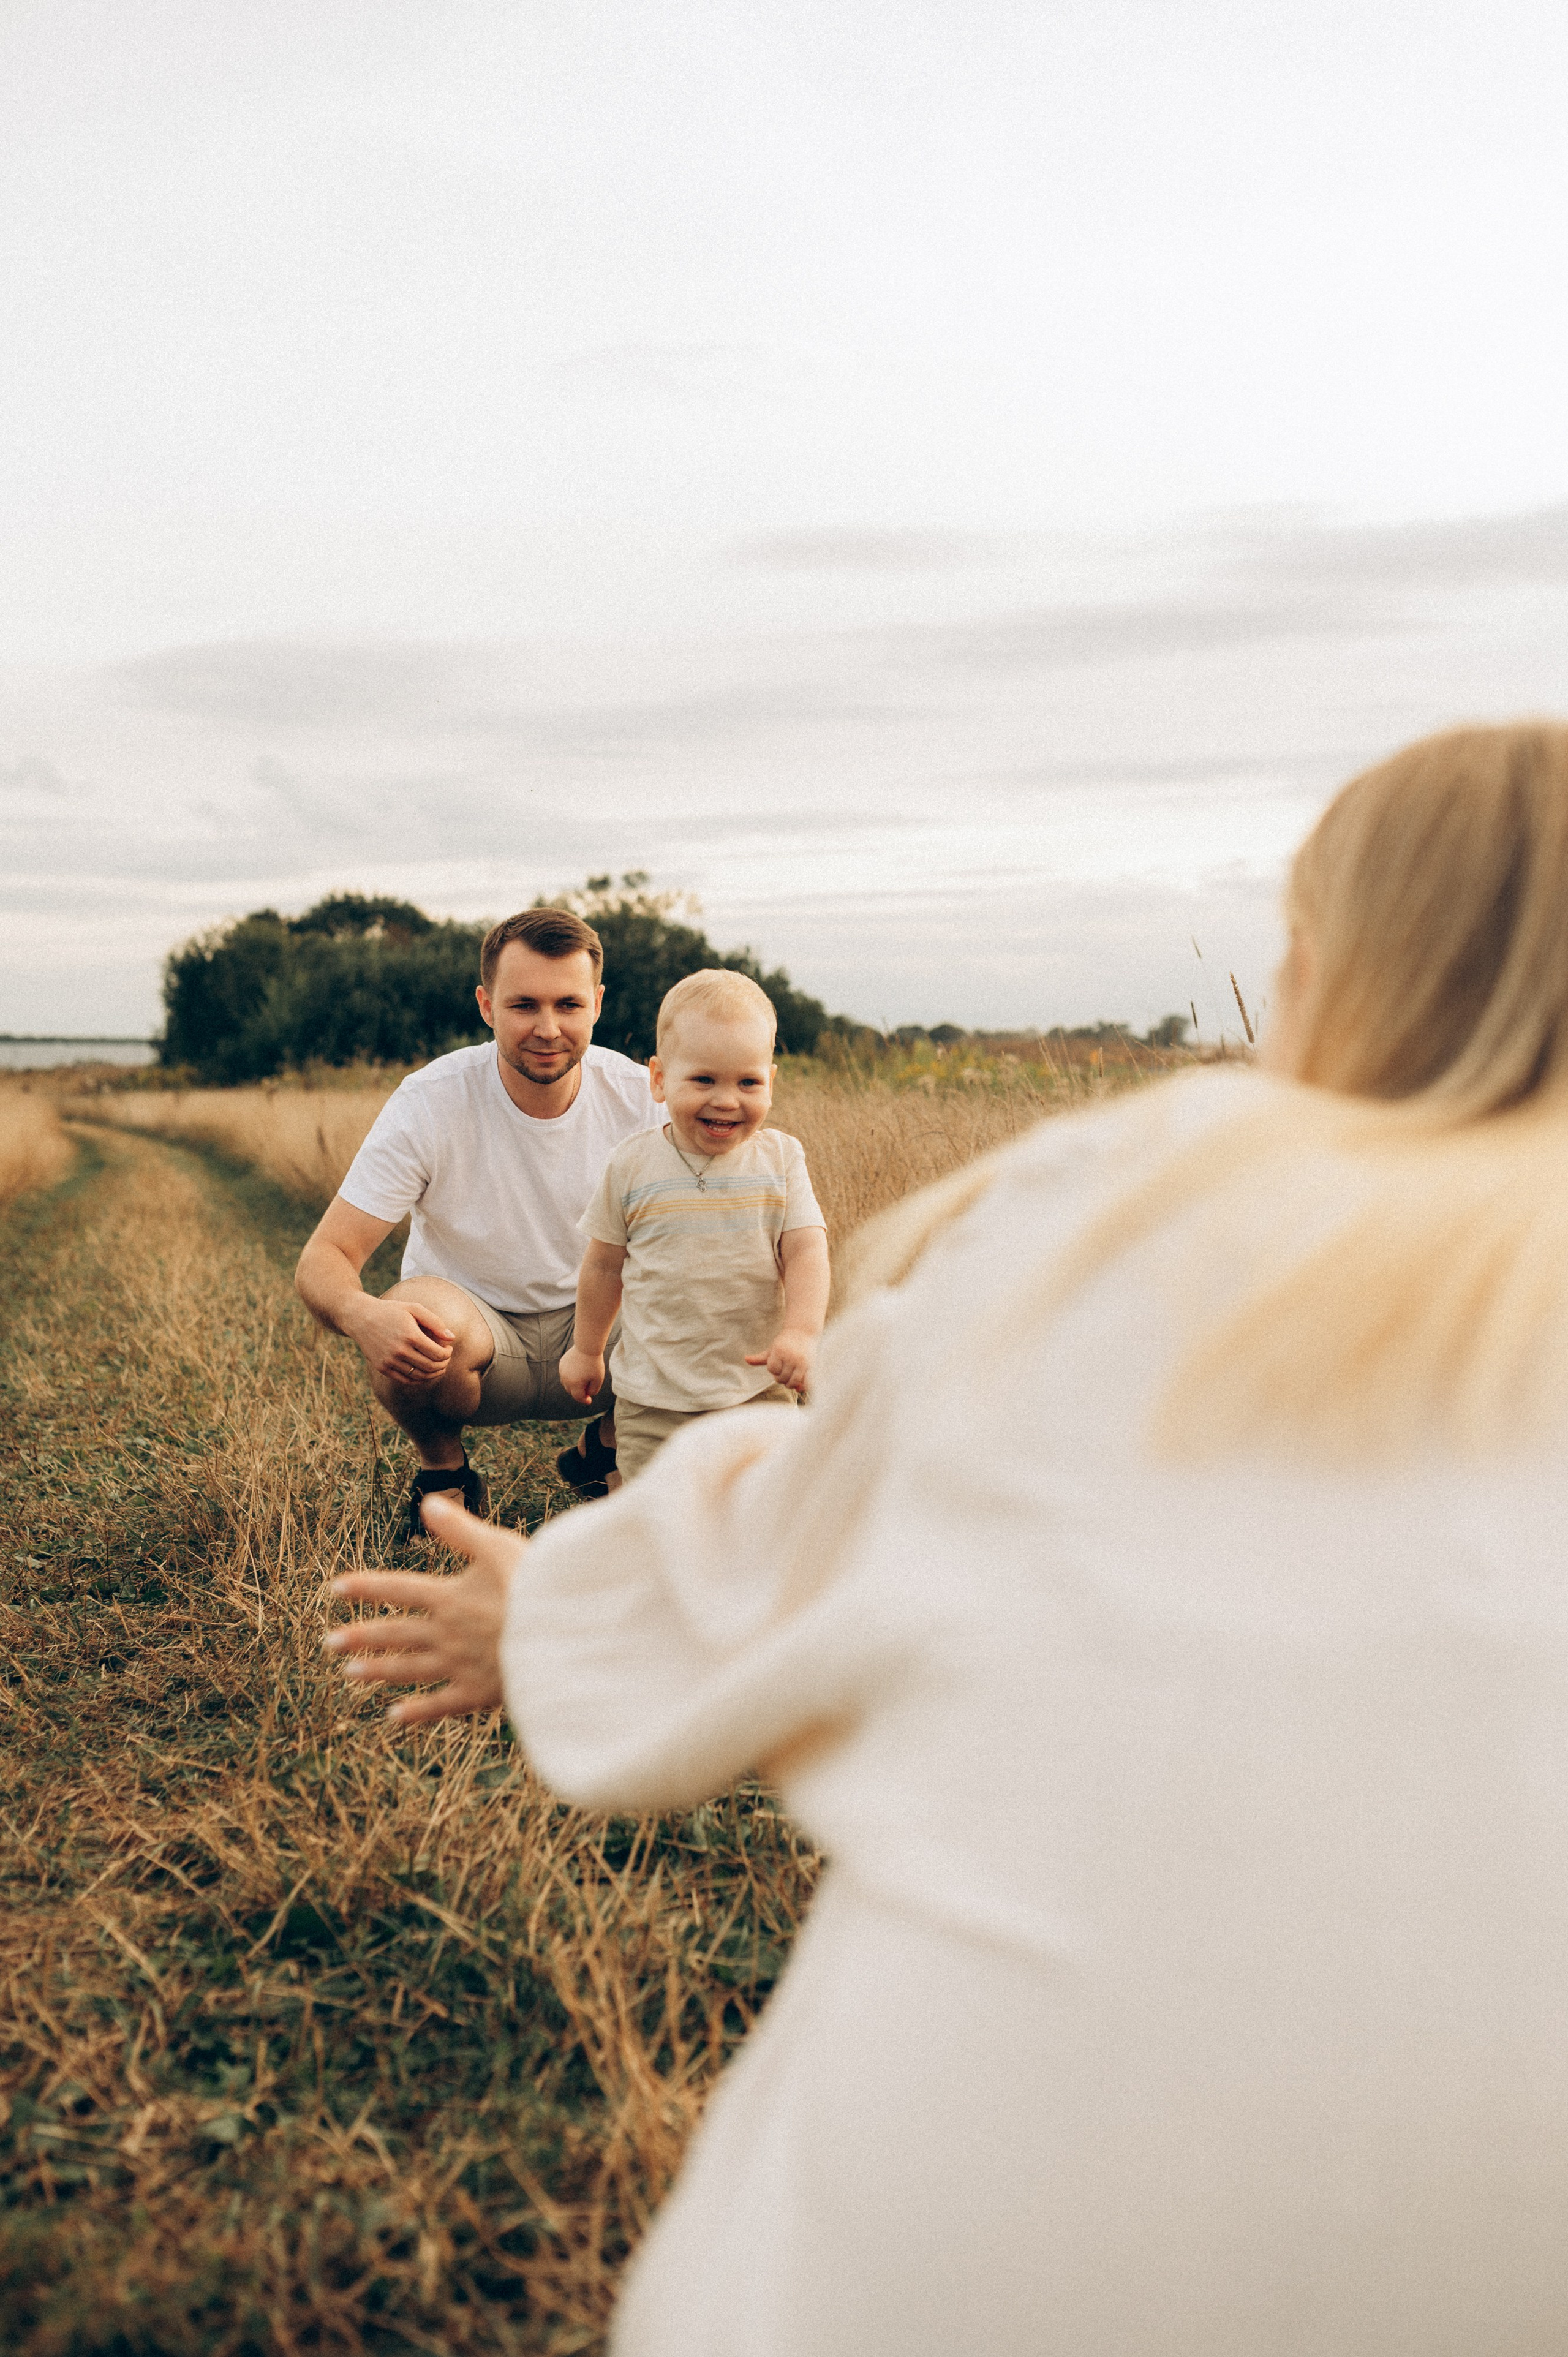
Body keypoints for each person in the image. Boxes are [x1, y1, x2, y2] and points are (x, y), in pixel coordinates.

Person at [325, 722, 1568, 2352]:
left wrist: (555, 1618)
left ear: (1326, 973)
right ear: (491, 1007)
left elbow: (820, 1510)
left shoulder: (1157, 1206)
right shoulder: (500, 1111)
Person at [294, 906, 661, 1534]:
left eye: (568, 1005)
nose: (547, 1028)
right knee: (411, 1312)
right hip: (478, 1340)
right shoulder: (431, 1100)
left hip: (604, 1333)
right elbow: (325, 1256)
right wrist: (364, 1316)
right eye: (524, 1006)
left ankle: (607, 1445)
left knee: (721, 1293)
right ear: (487, 1005)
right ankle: (444, 1470)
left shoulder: (641, 1098)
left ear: (597, 1003)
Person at [557, 968, 831, 1482]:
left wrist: (800, 1332)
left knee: (763, 1508)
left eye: (748, 1082)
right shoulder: (632, 1165)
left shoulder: (781, 1159)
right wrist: (587, 1348)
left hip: (755, 1389)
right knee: (653, 1523)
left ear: (770, 1081)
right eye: (703, 1080)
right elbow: (602, 1267)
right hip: (652, 1399)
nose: (726, 1100)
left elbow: (806, 1253)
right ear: (660, 1080)